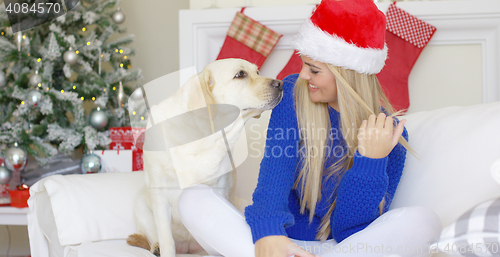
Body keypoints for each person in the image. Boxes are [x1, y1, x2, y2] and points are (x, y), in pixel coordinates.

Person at [178, 0, 441, 256]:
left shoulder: (391, 133)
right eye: (304, 64)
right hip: (281, 243)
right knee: (192, 198)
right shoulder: (293, 93)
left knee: (424, 221)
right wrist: (269, 235)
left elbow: (350, 232)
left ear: (345, 75)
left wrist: (370, 160)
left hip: (345, 248)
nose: (303, 75)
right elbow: (273, 181)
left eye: (313, 70)